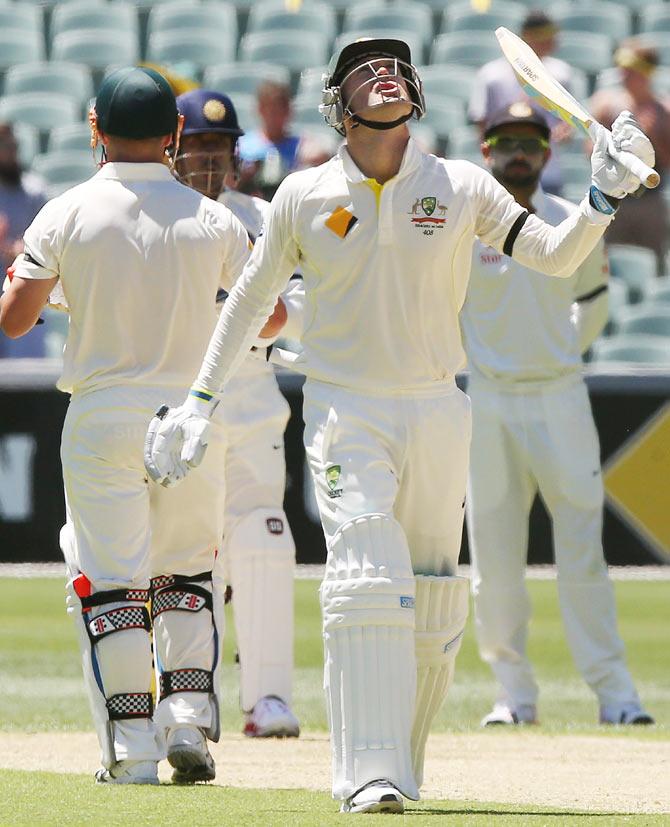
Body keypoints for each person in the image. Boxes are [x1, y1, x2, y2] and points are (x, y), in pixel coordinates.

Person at [143, 38, 653, 814]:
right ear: (337, 106)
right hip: (346, 404)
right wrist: (198, 401)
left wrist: (599, 202)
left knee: (434, 596)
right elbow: (248, 301)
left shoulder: (461, 185)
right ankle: (363, 770)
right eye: (363, 69)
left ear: (415, 91)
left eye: (394, 66)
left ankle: (400, 766)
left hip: (438, 405)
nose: (383, 73)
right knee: (367, 570)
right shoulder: (304, 195)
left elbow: (551, 257)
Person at [0, 66, 283, 785]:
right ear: (175, 134)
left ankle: (131, 747)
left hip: (103, 413)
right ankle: (187, 717)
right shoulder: (216, 219)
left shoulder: (64, 214)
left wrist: (70, 293)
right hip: (192, 414)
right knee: (188, 571)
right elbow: (270, 317)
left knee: (115, 584)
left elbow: (14, 319)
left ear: (95, 131)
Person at [461, 102, 654, 728]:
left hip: (559, 394)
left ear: (547, 154)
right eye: (506, 142)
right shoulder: (466, 228)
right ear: (486, 150)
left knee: (583, 552)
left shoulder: (574, 221)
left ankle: (616, 695)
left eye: (530, 143)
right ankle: (513, 694)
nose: (519, 152)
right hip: (487, 400)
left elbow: (592, 306)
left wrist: (558, 351)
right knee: (493, 556)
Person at [173, 88, 301, 739]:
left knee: (266, 540)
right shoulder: (157, 214)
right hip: (176, 409)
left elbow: (301, 305)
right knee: (182, 558)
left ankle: (269, 698)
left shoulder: (266, 214)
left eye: (219, 148)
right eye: (197, 145)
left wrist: (271, 314)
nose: (208, 160)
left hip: (252, 403)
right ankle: (184, 703)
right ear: (172, 147)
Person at [468, 10, 574, 195]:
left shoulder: (561, 73)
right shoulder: (491, 74)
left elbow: (568, 122)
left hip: (547, 171)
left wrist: (564, 131)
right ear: (527, 37)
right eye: (545, 36)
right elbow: (481, 123)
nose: (552, 42)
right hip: (503, 172)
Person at [589, 38, 670, 273]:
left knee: (653, 263)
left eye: (630, 70)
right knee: (603, 263)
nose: (624, 75)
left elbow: (666, 162)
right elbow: (589, 150)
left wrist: (650, 138)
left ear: (645, 73)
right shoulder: (606, 104)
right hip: (612, 199)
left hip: (649, 201)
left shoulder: (662, 111)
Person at [0, 122, 48, 357]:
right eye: (5, 146)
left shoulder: (34, 191)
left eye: (13, 146)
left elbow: (48, 244)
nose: (11, 152)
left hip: (25, 292)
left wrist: (23, 250)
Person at [238, 80, 302, 197]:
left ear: (288, 110)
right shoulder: (243, 146)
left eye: (279, 109)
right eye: (269, 109)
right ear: (259, 109)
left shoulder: (300, 148)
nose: (273, 116)